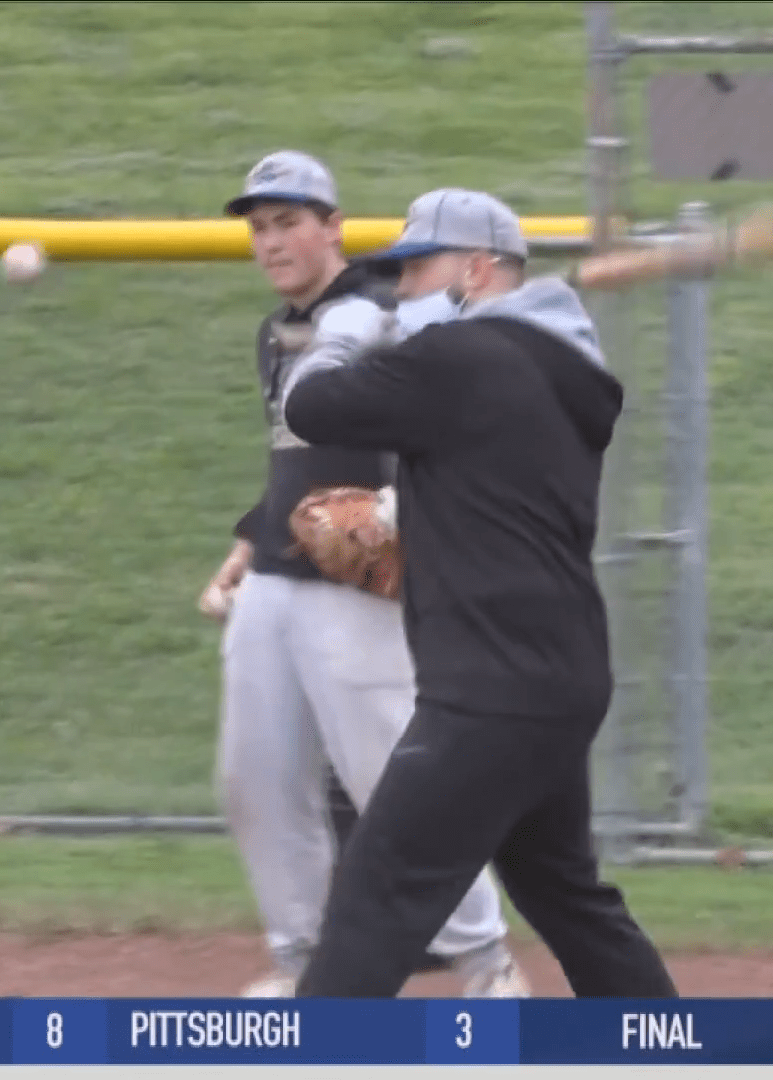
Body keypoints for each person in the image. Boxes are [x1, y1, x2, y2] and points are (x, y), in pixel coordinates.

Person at [277, 188, 681, 999]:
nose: (401, 290)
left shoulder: (463, 360)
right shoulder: (560, 367)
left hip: (488, 690)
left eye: (417, 269)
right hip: (559, 679)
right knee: (570, 900)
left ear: (479, 268)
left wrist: (340, 335)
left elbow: (310, 406)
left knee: (374, 900)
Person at [201, 152, 526, 999]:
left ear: (331, 226)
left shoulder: (387, 316)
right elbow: (292, 467)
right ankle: (304, 964)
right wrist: (244, 548)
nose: (271, 242)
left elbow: (456, 424)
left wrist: (405, 512)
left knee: (395, 784)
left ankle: (486, 963)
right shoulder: (276, 333)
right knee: (255, 775)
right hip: (276, 582)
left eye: (288, 222)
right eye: (260, 227)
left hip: (361, 585)